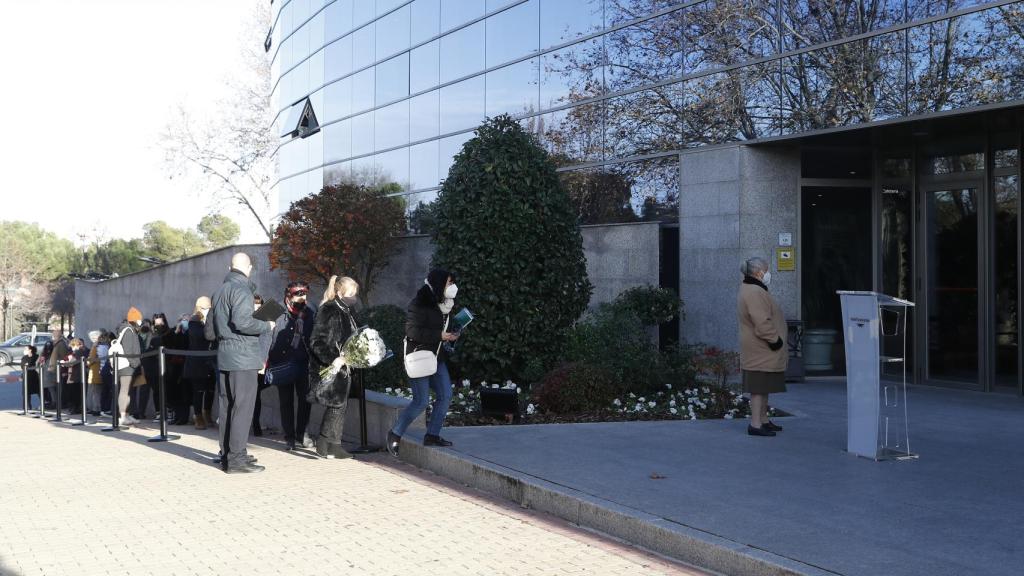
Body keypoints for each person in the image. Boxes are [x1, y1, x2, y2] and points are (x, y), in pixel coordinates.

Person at [207, 252, 274, 474]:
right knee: (243, 409)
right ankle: (236, 459)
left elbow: (209, 332)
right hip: (243, 357)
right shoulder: (242, 290)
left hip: (224, 356)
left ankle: (229, 455)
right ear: (249, 268)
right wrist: (267, 325)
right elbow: (243, 322)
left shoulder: (218, 292)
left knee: (227, 408)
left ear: (230, 268)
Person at [387, 269, 459, 456]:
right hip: (419, 356)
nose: (452, 287)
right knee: (421, 401)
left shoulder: (447, 304)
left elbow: (443, 329)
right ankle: (395, 434)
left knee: (445, 395)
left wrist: (452, 335)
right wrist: (439, 335)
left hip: (437, 357)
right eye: (448, 283)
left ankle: (432, 435)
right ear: (438, 283)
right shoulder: (420, 303)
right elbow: (412, 332)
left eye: (452, 283)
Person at [307, 275, 360, 459]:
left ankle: (334, 444)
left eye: (355, 293)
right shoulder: (329, 309)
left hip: (345, 364)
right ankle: (324, 441)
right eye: (350, 293)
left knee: (340, 404)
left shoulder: (347, 310)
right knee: (336, 404)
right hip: (332, 365)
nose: (354, 297)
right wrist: (333, 359)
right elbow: (316, 341)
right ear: (339, 292)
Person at [737, 256, 787, 437]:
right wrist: (776, 340)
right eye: (766, 270)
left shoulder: (754, 289)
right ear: (759, 272)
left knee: (763, 387)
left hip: (762, 349)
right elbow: (762, 321)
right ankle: (756, 424)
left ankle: (763, 420)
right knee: (758, 388)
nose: (768, 273)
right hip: (761, 348)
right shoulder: (753, 292)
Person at [268, 281, 316, 450]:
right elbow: (260, 332)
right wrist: (263, 359)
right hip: (281, 362)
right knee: (285, 401)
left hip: (303, 362)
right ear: (288, 295)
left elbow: (314, 337)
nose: (302, 297)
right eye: (298, 294)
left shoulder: (310, 311)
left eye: (304, 294)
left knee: (305, 400)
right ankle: (289, 437)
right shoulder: (274, 308)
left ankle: (302, 433)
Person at [183, 297, 216, 429]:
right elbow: (203, 336)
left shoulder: (206, 320)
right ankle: (198, 416)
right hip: (197, 362)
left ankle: (207, 413)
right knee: (199, 390)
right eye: (207, 308)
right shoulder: (194, 321)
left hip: (209, 360)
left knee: (210, 390)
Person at [114, 308, 145, 426]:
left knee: (128, 391)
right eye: (139, 319)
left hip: (129, 365)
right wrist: (135, 363)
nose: (140, 322)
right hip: (127, 366)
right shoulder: (128, 331)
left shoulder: (129, 330)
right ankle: (122, 416)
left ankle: (126, 414)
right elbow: (128, 350)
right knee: (124, 391)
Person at [251, 294, 273, 437]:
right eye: (255, 305)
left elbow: (267, 340)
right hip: (248, 361)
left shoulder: (265, 320)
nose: (257, 308)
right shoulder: (247, 319)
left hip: (260, 362)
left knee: (256, 395)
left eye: (259, 305)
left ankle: (256, 424)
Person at [46, 329, 70, 412]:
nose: (52, 336)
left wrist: (63, 369)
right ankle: (55, 402)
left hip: (58, 369)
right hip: (54, 369)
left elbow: (64, 356)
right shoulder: (56, 344)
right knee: (54, 386)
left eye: (54, 335)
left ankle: (59, 403)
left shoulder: (61, 344)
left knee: (59, 387)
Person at [86, 331, 108, 416]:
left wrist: (87, 363)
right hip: (103, 370)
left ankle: (96, 409)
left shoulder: (95, 347)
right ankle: (100, 408)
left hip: (95, 371)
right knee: (100, 391)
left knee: (95, 392)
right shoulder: (106, 346)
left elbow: (91, 360)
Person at [21, 345, 40, 410]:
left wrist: (30, 367)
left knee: (39, 391)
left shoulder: (36, 356)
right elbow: (22, 366)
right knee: (26, 393)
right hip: (26, 377)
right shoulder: (24, 358)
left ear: (30, 350)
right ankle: (27, 407)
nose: (24, 350)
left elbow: (38, 364)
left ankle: (44, 404)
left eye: (26, 349)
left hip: (35, 377)